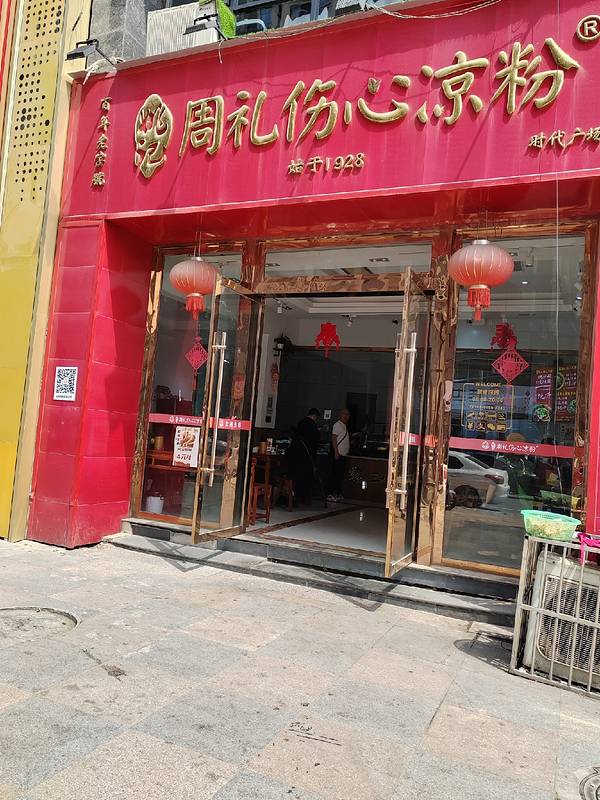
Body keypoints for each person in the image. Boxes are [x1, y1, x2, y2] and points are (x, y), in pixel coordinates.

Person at [287, 408, 320, 505]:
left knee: (298, 476)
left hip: (298, 454)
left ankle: (297, 496)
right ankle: (305, 498)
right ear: (314, 416)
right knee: (307, 477)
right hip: (308, 455)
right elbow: (316, 438)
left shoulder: (300, 423)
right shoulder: (313, 425)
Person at [328, 408, 350, 503]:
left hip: (343, 455)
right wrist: (336, 452)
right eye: (344, 414)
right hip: (339, 454)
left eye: (348, 414)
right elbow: (334, 439)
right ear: (340, 414)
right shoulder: (337, 425)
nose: (346, 416)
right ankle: (331, 494)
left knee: (340, 475)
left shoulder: (344, 426)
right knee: (335, 475)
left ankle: (337, 493)